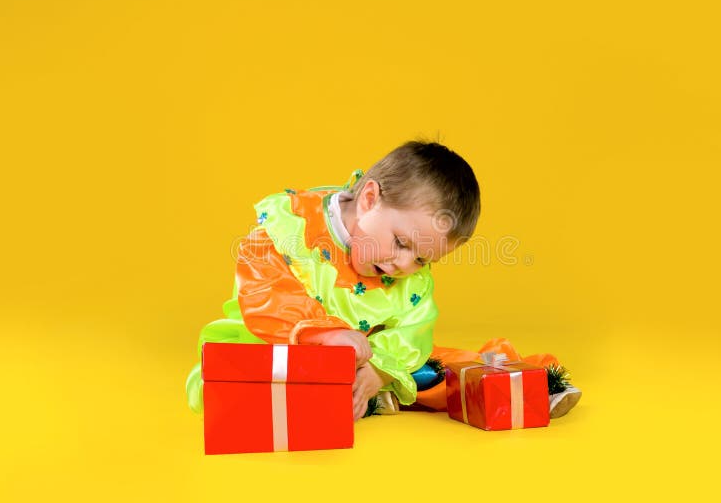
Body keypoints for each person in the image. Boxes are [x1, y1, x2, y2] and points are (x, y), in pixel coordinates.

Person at [185, 140, 581, 421]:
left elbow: (413, 332)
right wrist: (323, 334)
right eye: (400, 242)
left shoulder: (411, 274)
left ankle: (524, 382)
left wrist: (379, 371)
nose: (403, 264)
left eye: (422, 258)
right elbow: (262, 291)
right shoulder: (294, 226)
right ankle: (344, 399)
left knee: (430, 372)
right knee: (221, 387)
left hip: (360, 365)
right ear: (370, 199)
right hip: (274, 347)